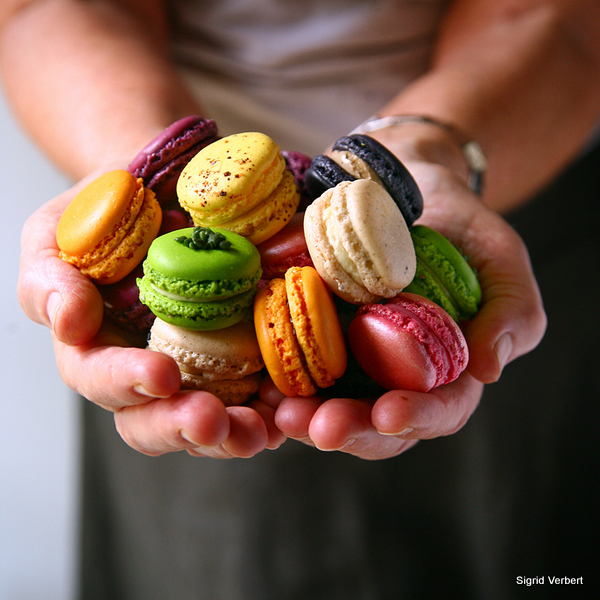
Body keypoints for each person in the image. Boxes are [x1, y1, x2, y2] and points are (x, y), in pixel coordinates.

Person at [1, 0, 598, 598]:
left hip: (510, 162)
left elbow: (560, 18)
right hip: (165, 225)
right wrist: (138, 163)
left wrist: (434, 149)